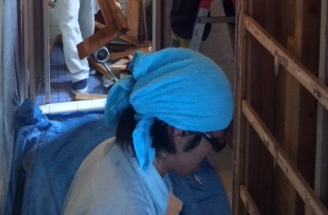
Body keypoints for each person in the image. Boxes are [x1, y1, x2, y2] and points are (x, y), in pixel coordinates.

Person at [62, 48, 233, 215]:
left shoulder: (113, 150)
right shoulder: (130, 206)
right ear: (180, 133)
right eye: (215, 142)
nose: (210, 152)